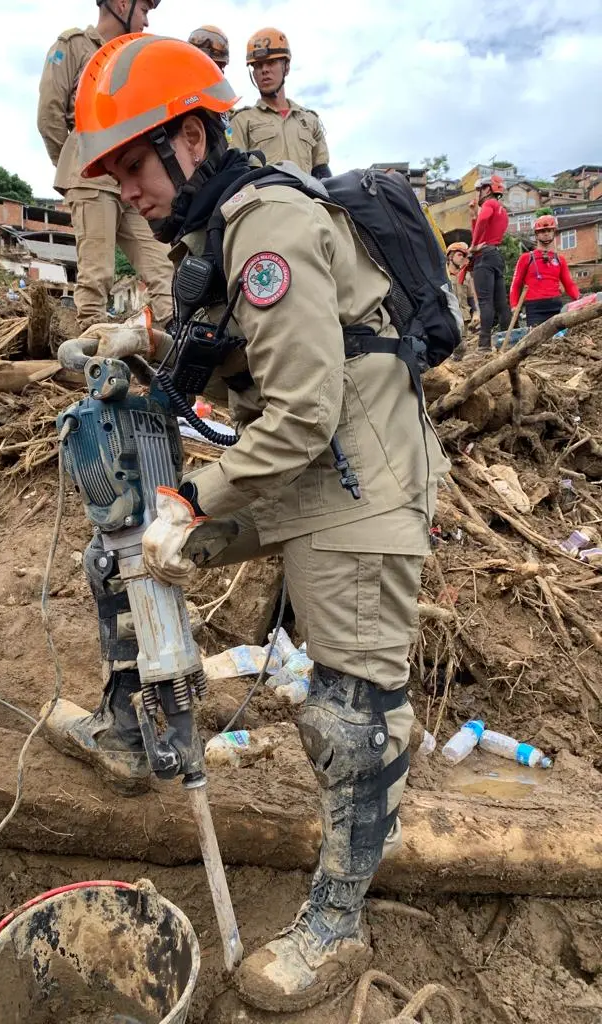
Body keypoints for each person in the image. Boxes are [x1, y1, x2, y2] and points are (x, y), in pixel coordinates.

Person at [45, 35, 450, 1013]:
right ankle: (131, 734)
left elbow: (306, 408)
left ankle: (337, 922)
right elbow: (217, 333)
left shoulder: (265, 221)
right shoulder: (214, 230)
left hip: (362, 476)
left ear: (190, 138)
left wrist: (192, 499)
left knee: (350, 713)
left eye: (134, 162)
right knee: (124, 558)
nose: (126, 188)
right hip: (296, 464)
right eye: (112, 173)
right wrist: (123, 339)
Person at [37, 1, 174, 330]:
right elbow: (49, 117)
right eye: (144, 8)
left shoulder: (137, 55)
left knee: (164, 269)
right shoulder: (72, 47)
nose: (145, 19)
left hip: (136, 178)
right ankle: (92, 366)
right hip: (92, 177)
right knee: (96, 277)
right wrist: (77, 171)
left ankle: (179, 355)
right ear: (123, 4)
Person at [229, 28, 331, 178]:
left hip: (307, 198)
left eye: (271, 62)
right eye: (257, 65)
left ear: (287, 67)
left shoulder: (310, 120)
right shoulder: (241, 121)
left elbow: (323, 173)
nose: (264, 70)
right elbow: (233, 172)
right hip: (266, 198)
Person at [464, 173, 510, 351]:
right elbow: (483, 228)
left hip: (484, 256)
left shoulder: (490, 204)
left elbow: (483, 223)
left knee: (485, 302)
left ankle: (483, 345)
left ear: (488, 189)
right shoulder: (502, 211)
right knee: (501, 303)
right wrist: (473, 216)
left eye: (479, 190)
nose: (478, 194)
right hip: (496, 255)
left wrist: (474, 246)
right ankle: (506, 340)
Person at [509, 215, 580, 327]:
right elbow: (516, 284)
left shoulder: (559, 260)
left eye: (549, 230)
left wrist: (579, 298)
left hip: (555, 305)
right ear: (536, 234)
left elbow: (569, 284)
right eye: (542, 231)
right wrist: (514, 306)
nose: (546, 234)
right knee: (537, 341)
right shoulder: (526, 258)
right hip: (534, 308)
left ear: (554, 232)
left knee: (559, 340)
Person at [446, 242, 479, 342]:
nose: (462, 258)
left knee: (462, 346)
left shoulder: (466, 275)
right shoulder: (444, 275)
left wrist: (476, 313)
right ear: (451, 257)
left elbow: (470, 297)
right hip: (449, 318)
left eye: (464, 255)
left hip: (464, 317)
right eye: (459, 254)